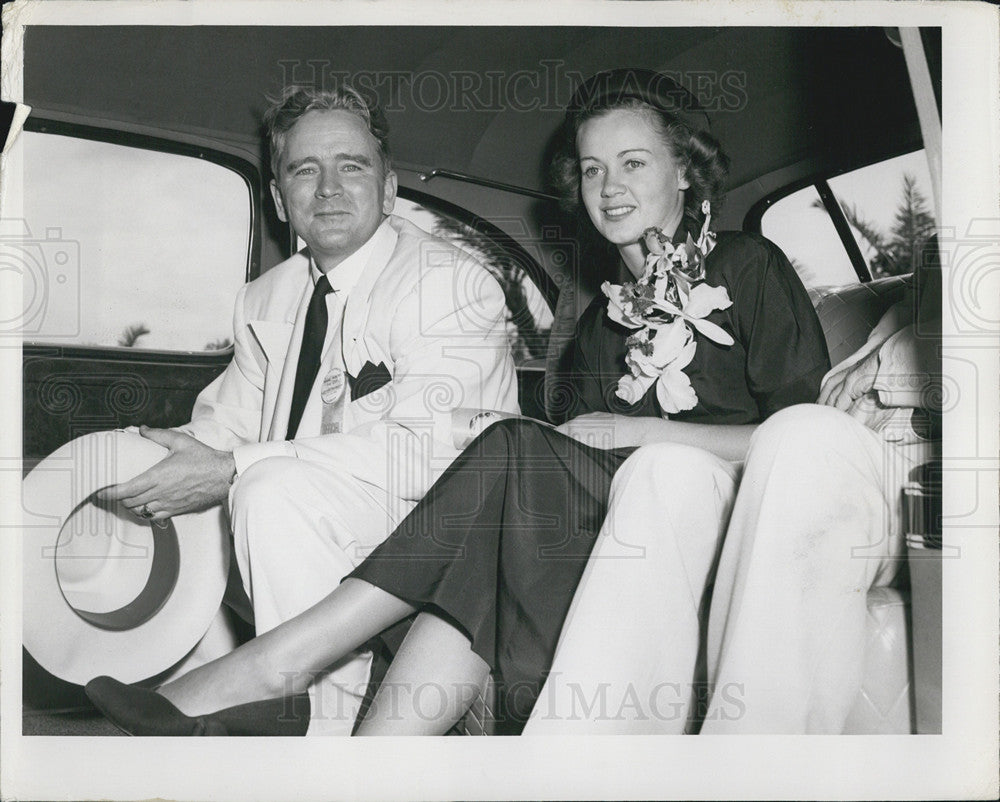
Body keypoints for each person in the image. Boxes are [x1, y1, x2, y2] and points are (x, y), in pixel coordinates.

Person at [85, 68, 830, 736]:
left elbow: (809, 444)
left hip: (725, 511)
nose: (609, 187)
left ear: (687, 175)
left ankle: (274, 669)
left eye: (634, 163)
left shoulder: (748, 266)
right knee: (504, 470)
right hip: (621, 516)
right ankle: (361, 767)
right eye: (594, 168)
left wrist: (637, 428)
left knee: (500, 445)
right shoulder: (603, 322)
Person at [94, 84, 518, 735]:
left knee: (269, 489)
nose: (327, 188)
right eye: (304, 169)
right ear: (277, 197)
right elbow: (227, 425)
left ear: (389, 188)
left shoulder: (449, 282)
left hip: (445, 524)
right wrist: (143, 452)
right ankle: (203, 714)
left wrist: (235, 466)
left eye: (351, 165)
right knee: (200, 491)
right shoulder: (267, 297)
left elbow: (428, 452)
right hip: (333, 506)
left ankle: (315, 730)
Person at [526, 238, 941, 735]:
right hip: (854, 458)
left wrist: (887, 368)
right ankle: (579, 768)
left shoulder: (753, 270)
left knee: (803, 436)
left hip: (932, 482)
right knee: (663, 469)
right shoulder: (910, 300)